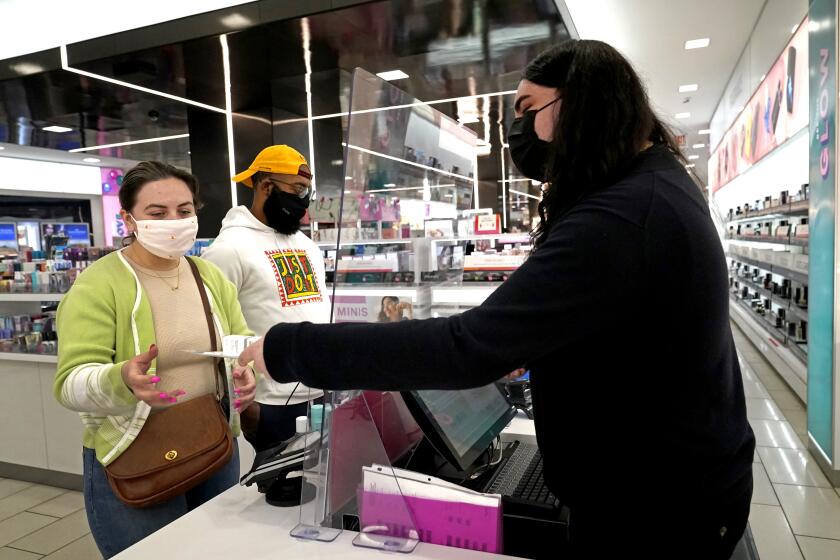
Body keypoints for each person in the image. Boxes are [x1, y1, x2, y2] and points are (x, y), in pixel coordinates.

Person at [236, 40, 755, 559]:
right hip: (677, 487)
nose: (519, 131)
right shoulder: (652, 184)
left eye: (529, 109)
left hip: (657, 515)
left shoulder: (620, 216)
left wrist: (292, 348)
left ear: (583, 102)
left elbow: (466, 349)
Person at [55, 161, 257, 558]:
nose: (174, 222)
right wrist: (122, 379)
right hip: (136, 454)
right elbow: (70, 382)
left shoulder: (208, 276)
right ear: (129, 218)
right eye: (157, 213)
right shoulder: (99, 283)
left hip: (212, 444)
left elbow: (239, 340)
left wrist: (244, 370)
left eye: (184, 211)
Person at [203, 145, 330, 452]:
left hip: (321, 392)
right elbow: (215, 331)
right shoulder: (228, 249)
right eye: (297, 189)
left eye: (307, 192)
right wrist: (247, 408)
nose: (303, 201)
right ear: (266, 186)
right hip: (270, 402)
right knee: (279, 495)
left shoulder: (305, 244)